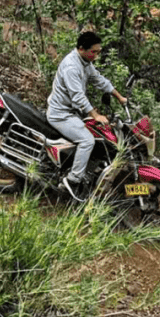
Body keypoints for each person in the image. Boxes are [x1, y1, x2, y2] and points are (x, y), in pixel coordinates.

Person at [46, 30, 127, 202]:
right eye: (94, 52)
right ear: (82, 49)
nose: (96, 56)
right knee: (87, 140)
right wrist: (95, 115)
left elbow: (99, 80)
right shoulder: (71, 66)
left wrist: (119, 97)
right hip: (61, 115)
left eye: (98, 52)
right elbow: (77, 96)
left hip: (72, 113)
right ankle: (73, 180)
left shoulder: (84, 62)